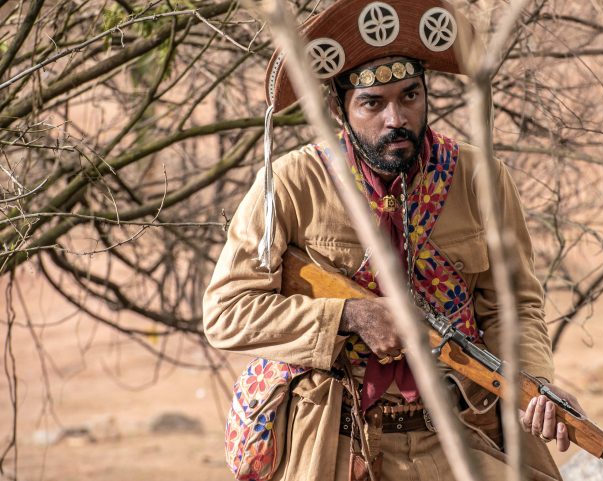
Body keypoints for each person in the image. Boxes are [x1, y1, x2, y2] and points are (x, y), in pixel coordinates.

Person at [203, 1, 582, 480]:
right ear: (340, 110)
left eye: (409, 96)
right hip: (332, 437)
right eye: (373, 103)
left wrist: (535, 381)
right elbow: (226, 313)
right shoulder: (293, 182)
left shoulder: (478, 178)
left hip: (456, 428)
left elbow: (515, 306)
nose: (396, 119)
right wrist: (347, 315)